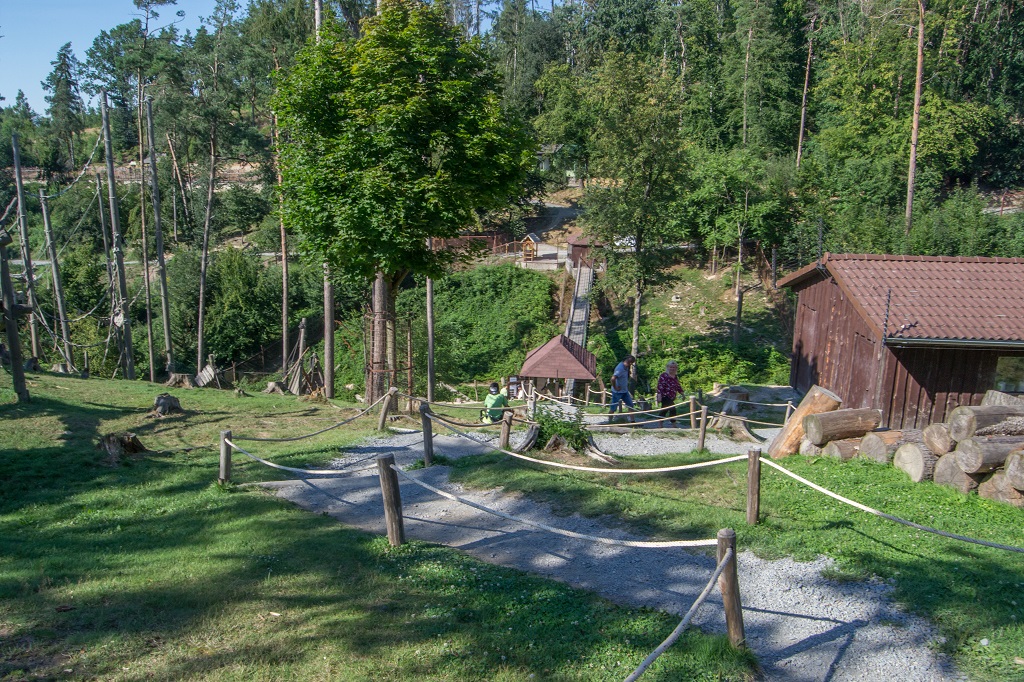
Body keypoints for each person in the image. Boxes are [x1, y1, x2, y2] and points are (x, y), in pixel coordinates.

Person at [656, 360, 684, 427]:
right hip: (665, 396)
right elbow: (660, 386)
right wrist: (659, 395)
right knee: (672, 409)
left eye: (674, 367)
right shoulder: (664, 375)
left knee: (664, 410)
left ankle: (660, 424)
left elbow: (678, 386)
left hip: (672, 396)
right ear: (667, 367)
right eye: (671, 367)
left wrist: (682, 393)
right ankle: (674, 424)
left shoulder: (675, 376)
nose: (672, 369)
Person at [608, 355, 635, 422]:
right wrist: (615, 387)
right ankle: (610, 421)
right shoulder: (620, 368)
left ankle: (632, 421)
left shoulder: (626, 367)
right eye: (630, 363)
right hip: (617, 392)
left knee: (630, 405)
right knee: (613, 407)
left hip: (624, 391)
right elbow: (613, 379)